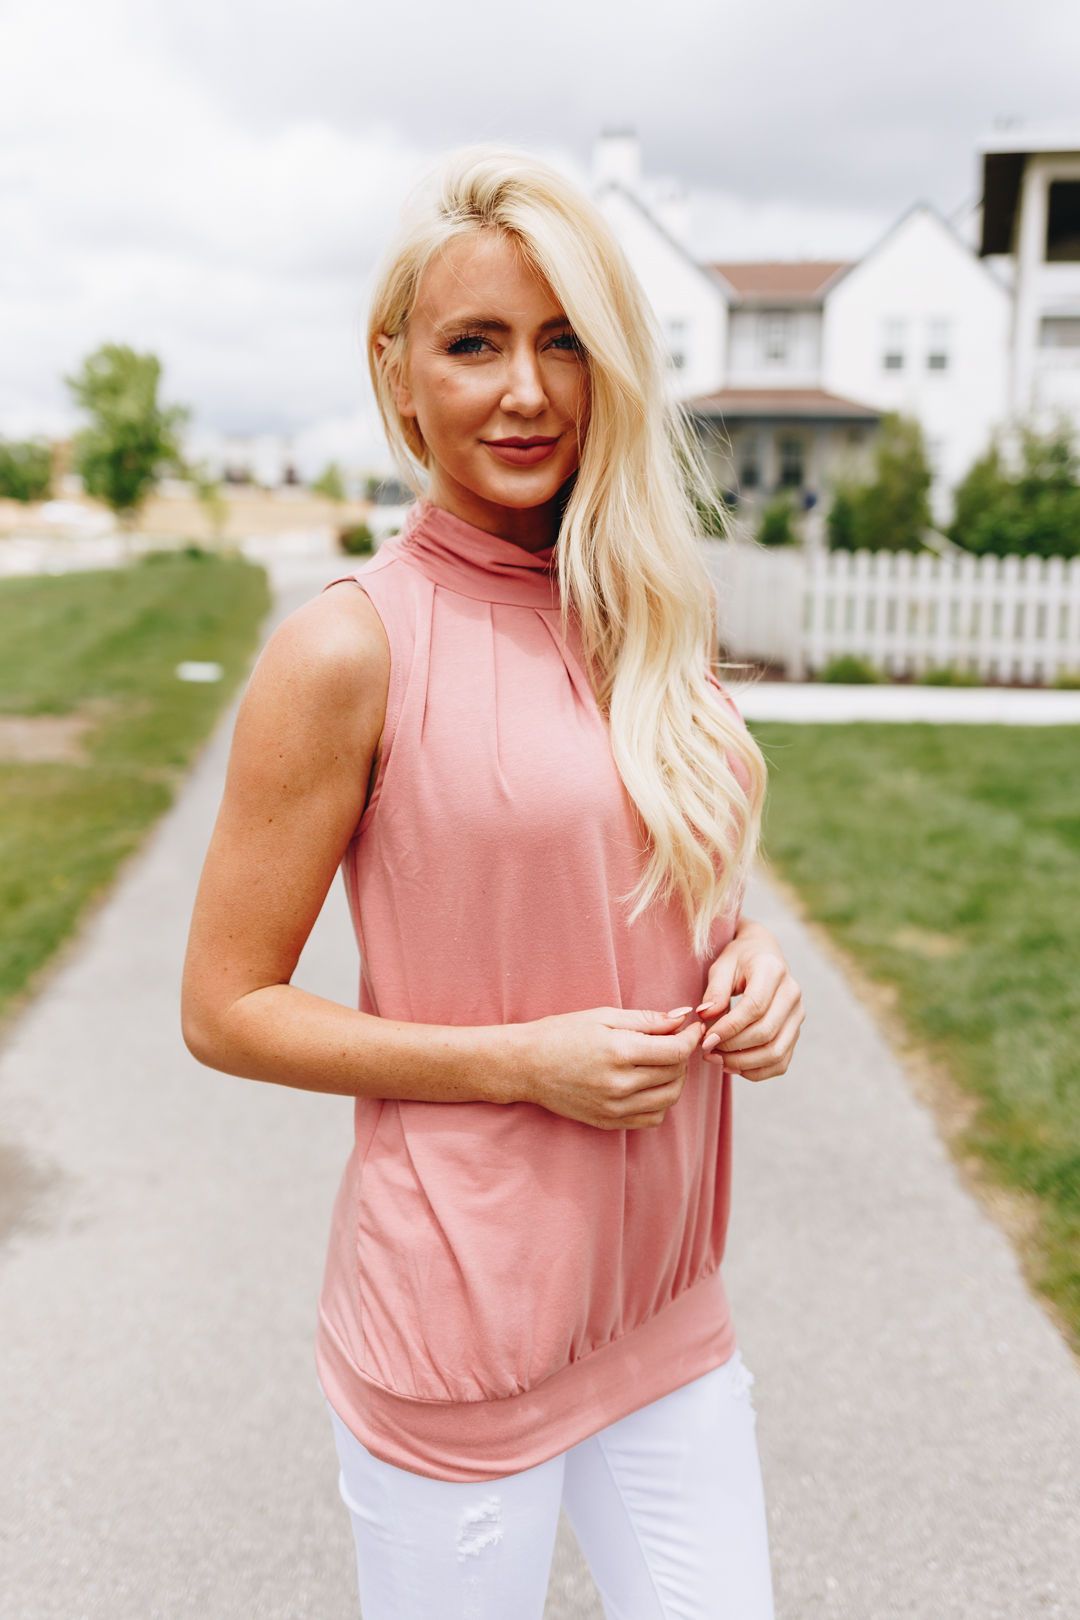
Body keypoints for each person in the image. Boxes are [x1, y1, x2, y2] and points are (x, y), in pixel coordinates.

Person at [181, 143, 806, 1620]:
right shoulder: (351, 647)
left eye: (564, 342)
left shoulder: (650, 611)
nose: (527, 391)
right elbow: (224, 1009)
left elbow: (645, 876)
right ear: (400, 376)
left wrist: (749, 968)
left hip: (662, 1306)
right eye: (476, 344)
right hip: (461, 1323)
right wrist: (522, 1062)